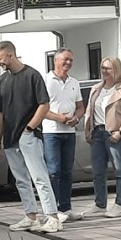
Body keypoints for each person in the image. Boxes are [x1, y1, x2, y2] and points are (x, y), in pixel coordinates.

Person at [0, 42, 60, 233]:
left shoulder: (32, 75)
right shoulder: (2, 81)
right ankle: (31, 216)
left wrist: (30, 127)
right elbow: (0, 113)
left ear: (10, 55)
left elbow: (44, 105)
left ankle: (52, 216)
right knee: (21, 179)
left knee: (39, 176)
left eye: (0, 59)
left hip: (28, 135)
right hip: (10, 137)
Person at [79, 56, 121, 218]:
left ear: (116, 70)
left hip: (115, 133)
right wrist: (88, 130)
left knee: (119, 170)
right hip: (97, 133)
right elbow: (89, 110)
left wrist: (120, 131)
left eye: (108, 68)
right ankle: (100, 204)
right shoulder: (96, 88)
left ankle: (120, 204)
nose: (104, 71)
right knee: (97, 171)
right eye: (103, 68)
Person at [42, 49, 85, 223]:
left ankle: (66, 208)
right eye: (65, 60)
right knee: (53, 172)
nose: (68, 63)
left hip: (69, 132)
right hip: (51, 131)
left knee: (67, 171)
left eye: (71, 60)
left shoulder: (74, 82)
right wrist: (58, 118)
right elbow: (41, 109)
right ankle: (51, 210)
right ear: (56, 60)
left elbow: (80, 106)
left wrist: (76, 118)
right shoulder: (46, 80)